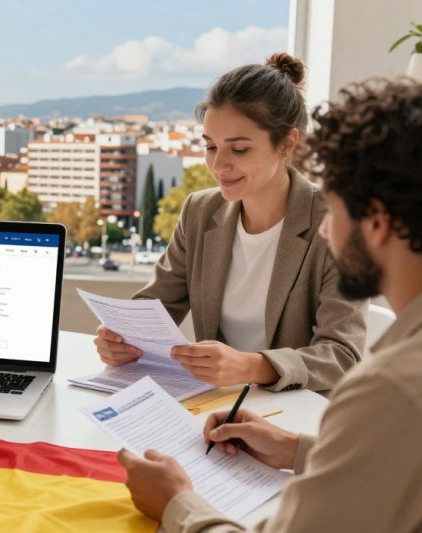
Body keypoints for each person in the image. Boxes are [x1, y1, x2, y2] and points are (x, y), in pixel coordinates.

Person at [118, 79, 422, 533]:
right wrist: (298, 449)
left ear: (376, 222)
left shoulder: (393, 390)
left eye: (333, 209)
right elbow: (415, 462)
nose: (322, 229)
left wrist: (175, 503)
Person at [95, 53, 365, 392]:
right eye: (210, 146)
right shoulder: (199, 210)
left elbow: (341, 355)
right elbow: (156, 306)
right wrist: (121, 338)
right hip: (214, 405)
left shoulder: (337, 224)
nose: (219, 164)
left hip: (295, 414)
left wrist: (253, 366)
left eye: (238, 149)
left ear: (287, 143)